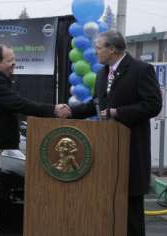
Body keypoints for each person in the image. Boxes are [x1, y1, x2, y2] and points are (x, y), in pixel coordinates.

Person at [0, 44, 70, 236]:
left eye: (13, 59)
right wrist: (53, 110)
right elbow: (19, 104)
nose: (14, 63)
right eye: (9, 60)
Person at [69, 31, 162, 236]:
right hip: (106, 153)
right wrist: (67, 112)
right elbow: (95, 105)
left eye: (99, 48)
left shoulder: (141, 70)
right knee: (108, 210)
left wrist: (118, 112)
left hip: (131, 153)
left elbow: (153, 105)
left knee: (131, 213)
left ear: (112, 49)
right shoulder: (102, 73)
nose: (95, 52)